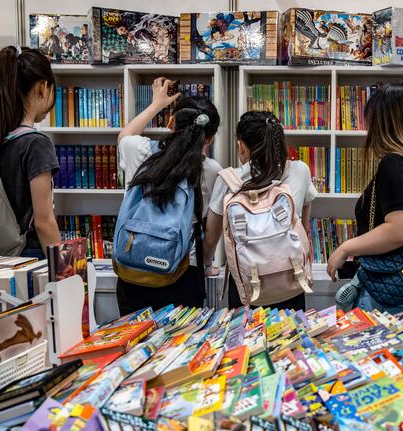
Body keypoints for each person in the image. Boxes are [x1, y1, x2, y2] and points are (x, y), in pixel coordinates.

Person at [326, 83, 403, 314]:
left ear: (385, 123)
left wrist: (345, 248)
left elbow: (401, 229)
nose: (368, 129)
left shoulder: (394, 163)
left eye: (371, 121)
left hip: (390, 293)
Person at [115, 77, 221, 314]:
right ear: (210, 139)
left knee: (135, 346)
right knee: (180, 349)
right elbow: (210, 230)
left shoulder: (139, 150)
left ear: (171, 122)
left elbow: (124, 136)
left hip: (133, 271)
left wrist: (156, 104)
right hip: (183, 274)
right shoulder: (211, 171)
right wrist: (206, 263)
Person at [202, 111, 317, 310]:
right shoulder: (300, 170)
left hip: (248, 289)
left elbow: (211, 239)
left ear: (241, 145)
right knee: (292, 339)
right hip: (291, 278)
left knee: (246, 340)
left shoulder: (228, 180)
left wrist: (206, 264)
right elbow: (303, 229)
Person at [0, 45, 60, 258]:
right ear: (42, 88)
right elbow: (44, 222)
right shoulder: (36, 144)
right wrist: (65, 269)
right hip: (30, 258)